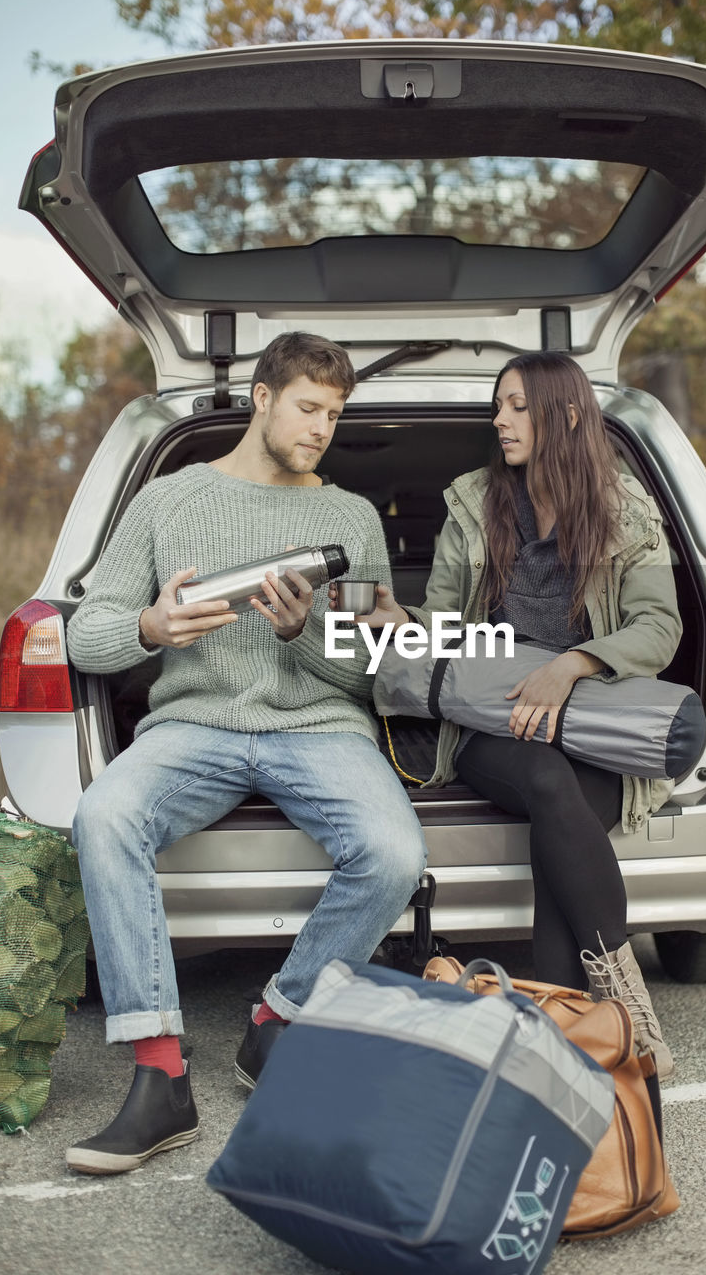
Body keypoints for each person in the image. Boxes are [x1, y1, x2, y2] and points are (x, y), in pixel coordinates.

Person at [64, 332, 427, 1175]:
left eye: (334, 414)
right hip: (194, 726)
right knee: (104, 813)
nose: (321, 429)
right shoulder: (168, 500)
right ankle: (158, 1077)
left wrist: (303, 636)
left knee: (393, 852)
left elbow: (375, 670)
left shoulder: (349, 518)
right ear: (261, 397)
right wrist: (150, 628)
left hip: (320, 729)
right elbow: (86, 634)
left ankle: (276, 1024)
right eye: (308, 407)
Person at [357, 351, 681, 1077]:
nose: (497, 420)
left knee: (559, 820)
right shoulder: (473, 504)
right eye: (496, 406)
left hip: (591, 722)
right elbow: (441, 622)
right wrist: (396, 620)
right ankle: (624, 1008)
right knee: (545, 783)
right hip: (490, 722)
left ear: (564, 414)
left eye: (514, 406)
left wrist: (572, 665)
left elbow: (658, 626)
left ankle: (561, 1026)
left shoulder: (625, 509)